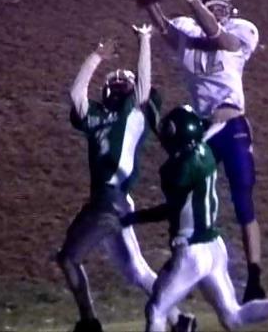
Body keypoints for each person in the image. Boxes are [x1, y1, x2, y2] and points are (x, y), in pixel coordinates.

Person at [121, 104, 268, 332]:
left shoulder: (177, 171)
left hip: (191, 252)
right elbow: (194, 131)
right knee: (232, 316)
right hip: (214, 247)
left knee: (156, 310)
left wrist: (133, 218)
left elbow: (170, 209)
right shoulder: (206, 153)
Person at [135, 0, 266, 302]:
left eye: (222, 8)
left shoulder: (240, 32)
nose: (217, 12)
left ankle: (254, 276)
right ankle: (186, 263)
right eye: (213, 7)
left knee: (242, 200)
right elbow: (163, 26)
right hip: (202, 130)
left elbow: (220, 38)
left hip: (232, 126)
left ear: (231, 12)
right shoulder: (188, 32)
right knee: (184, 196)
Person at [56, 25, 195, 332]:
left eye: (124, 85)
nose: (118, 88)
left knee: (69, 258)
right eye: (115, 84)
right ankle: (179, 319)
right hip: (107, 201)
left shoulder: (134, 113)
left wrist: (144, 40)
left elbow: (144, 86)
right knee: (135, 270)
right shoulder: (95, 116)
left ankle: (89, 323)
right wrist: (96, 57)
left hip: (111, 200)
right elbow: (76, 94)